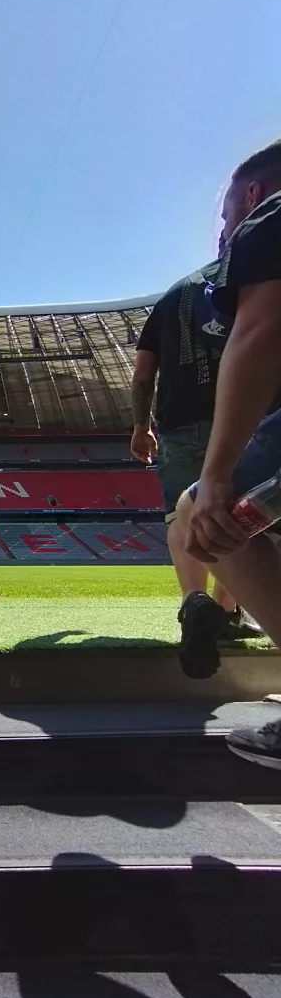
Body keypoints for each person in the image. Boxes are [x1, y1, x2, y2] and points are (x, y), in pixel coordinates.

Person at [169, 138, 281, 765]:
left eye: (225, 217)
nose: (226, 231)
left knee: (200, 519)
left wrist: (213, 476)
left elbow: (261, 331)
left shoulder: (269, 217)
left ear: (252, 195)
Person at [131, 248, 260, 678]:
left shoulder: (174, 295)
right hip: (242, 419)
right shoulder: (253, 279)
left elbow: (143, 372)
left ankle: (194, 601)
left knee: (181, 516)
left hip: (179, 423)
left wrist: (139, 426)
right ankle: (228, 610)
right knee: (240, 517)